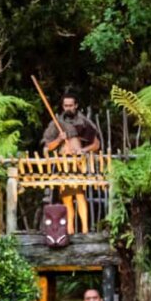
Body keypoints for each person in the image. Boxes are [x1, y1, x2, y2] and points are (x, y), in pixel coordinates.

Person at [41, 93, 101, 234]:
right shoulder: (56, 123)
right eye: (65, 105)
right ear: (63, 106)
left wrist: (83, 150)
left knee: (80, 196)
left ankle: (85, 230)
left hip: (78, 164)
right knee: (67, 198)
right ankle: (69, 231)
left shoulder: (84, 122)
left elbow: (96, 145)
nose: (68, 108)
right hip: (64, 164)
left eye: (70, 105)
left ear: (76, 105)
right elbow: (48, 146)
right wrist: (59, 139)